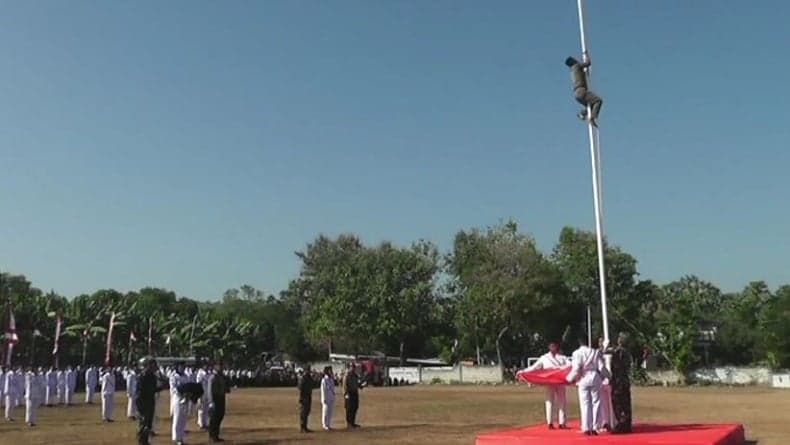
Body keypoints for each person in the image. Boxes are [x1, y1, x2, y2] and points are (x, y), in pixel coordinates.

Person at [524, 341, 569, 430]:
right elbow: (534, 367)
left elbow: (570, 365)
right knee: (549, 402)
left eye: (554, 346)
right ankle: (550, 423)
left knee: (562, 402)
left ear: (557, 347)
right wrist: (524, 372)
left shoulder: (562, 358)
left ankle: (562, 423)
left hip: (560, 382)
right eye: (551, 346)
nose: (553, 348)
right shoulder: (544, 358)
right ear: (549, 347)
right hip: (549, 382)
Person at [566, 337, 606, 436]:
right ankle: (595, 427)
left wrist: (569, 379)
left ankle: (586, 427)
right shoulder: (595, 352)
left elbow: (576, 369)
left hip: (583, 378)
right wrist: (608, 376)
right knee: (596, 402)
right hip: (595, 377)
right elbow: (601, 367)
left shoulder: (577, 353)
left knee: (585, 404)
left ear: (579, 342)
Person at [565, 55, 603, 126]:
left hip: (577, 94)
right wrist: (587, 55)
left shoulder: (573, 71)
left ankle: (582, 113)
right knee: (598, 101)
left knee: (592, 105)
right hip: (581, 91)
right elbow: (588, 63)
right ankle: (592, 118)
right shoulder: (577, 65)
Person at [135, 357, 163, 445]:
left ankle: (145, 441)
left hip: (150, 400)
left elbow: (153, 389)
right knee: (144, 422)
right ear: (149, 366)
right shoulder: (143, 376)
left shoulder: (153, 376)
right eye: (153, 365)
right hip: (143, 401)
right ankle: (142, 441)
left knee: (148, 423)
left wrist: (159, 388)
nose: (155, 368)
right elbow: (140, 390)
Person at [609, 333, 633, 434]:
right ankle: (627, 424)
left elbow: (616, 365)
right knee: (626, 403)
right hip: (625, 380)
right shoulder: (627, 353)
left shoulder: (619, 352)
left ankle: (621, 424)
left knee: (618, 403)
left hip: (618, 381)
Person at [207, 361, 230, 443]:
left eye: (221, 365)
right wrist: (211, 401)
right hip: (215, 399)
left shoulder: (222, 376)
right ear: (215, 367)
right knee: (214, 418)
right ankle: (212, 436)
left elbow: (226, 387)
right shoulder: (212, 377)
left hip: (221, 398)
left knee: (220, 416)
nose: (221, 367)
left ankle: (216, 435)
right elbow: (209, 390)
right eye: (219, 366)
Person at [170, 363, 189, 445]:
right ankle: (176, 438)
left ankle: (181, 438)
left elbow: (189, 385)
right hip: (177, 398)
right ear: (177, 367)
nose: (182, 368)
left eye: (183, 367)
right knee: (177, 418)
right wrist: (181, 392)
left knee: (183, 419)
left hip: (185, 398)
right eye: (181, 367)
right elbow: (173, 388)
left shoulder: (186, 376)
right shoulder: (173, 376)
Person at [597, 338, 613, 433]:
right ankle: (604, 422)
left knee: (611, 402)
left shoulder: (612, 352)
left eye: (602, 341)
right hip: (601, 380)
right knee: (602, 403)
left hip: (610, 379)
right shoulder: (596, 353)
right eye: (600, 342)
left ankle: (612, 422)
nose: (601, 343)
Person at [343, 363, 362, 429]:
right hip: (349, 393)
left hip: (355, 393)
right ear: (349, 367)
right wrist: (346, 393)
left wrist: (360, 386)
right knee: (349, 409)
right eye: (352, 367)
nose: (353, 368)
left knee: (355, 408)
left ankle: (353, 422)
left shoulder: (355, 375)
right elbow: (345, 385)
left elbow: (357, 383)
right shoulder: (347, 375)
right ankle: (349, 423)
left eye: (354, 367)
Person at [297, 365, 314, 433]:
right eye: (308, 370)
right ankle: (302, 427)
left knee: (307, 412)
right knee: (303, 412)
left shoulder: (309, 377)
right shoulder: (303, 378)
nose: (309, 371)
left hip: (308, 396)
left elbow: (312, 384)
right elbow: (300, 387)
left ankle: (305, 427)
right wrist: (302, 396)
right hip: (304, 397)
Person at [320, 366, 336, 431]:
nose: (331, 371)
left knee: (330, 411)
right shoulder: (324, 380)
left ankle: (328, 424)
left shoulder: (331, 379)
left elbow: (332, 389)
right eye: (330, 370)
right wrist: (324, 398)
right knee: (325, 412)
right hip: (326, 397)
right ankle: (324, 425)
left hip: (331, 397)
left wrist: (333, 396)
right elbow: (323, 390)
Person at [196, 363, 210, 430]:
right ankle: (201, 423)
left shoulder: (208, 373)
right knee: (201, 409)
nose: (207, 367)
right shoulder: (200, 373)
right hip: (202, 393)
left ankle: (206, 423)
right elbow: (198, 383)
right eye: (205, 365)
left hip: (207, 393)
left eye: (207, 366)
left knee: (206, 409)